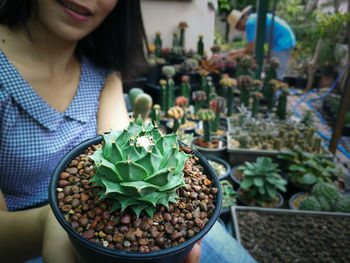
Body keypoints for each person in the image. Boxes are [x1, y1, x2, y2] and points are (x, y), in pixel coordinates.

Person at [0, 1, 256, 262]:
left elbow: (122, 140)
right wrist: (48, 220)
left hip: (125, 204)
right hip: (23, 238)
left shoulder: (102, 64)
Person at [227, 5, 296, 80]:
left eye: (237, 28)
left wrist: (231, 58)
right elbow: (250, 47)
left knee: (276, 71)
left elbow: (250, 50)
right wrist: (235, 52)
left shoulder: (250, 24)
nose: (239, 30)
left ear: (239, 24)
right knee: (270, 69)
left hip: (283, 41)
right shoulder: (252, 19)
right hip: (282, 39)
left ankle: (275, 89)